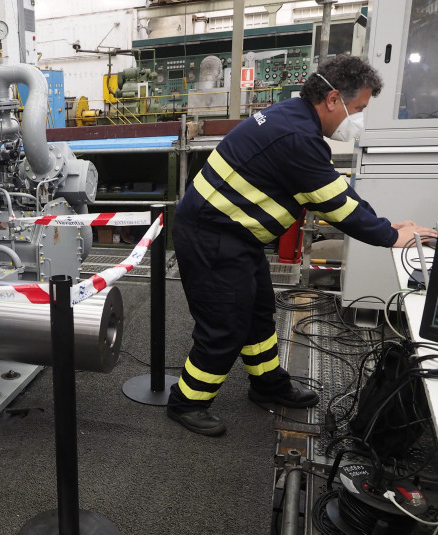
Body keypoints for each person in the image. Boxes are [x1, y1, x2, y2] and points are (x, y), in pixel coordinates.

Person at [167, 54, 438, 437]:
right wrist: (393, 237)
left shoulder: (293, 119)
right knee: (224, 325)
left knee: (259, 313)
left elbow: (332, 190)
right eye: (357, 108)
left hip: (234, 235)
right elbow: (336, 205)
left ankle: (267, 385)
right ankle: (188, 402)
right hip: (213, 237)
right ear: (332, 99)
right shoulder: (297, 137)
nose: (357, 118)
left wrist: (388, 226)